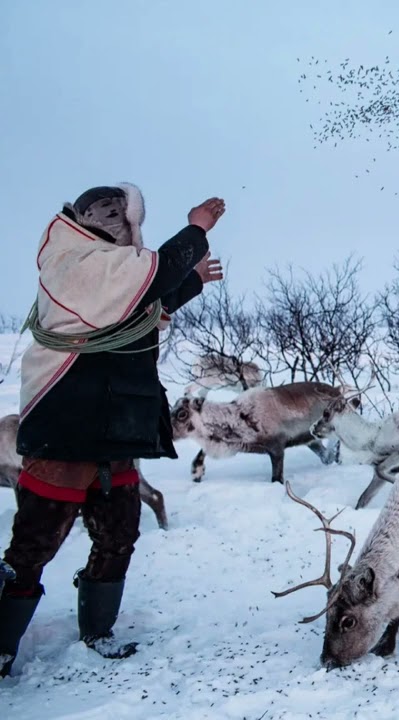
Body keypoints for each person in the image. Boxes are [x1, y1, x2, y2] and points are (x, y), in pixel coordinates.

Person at [0, 184, 225, 677]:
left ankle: (98, 632)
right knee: (33, 545)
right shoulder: (74, 261)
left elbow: (139, 307)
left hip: (114, 428)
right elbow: (143, 281)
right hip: (67, 429)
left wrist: (191, 283)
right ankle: (1, 645)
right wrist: (196, 230)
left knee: (119, 533)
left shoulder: (102, 268)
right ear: (109, 219)